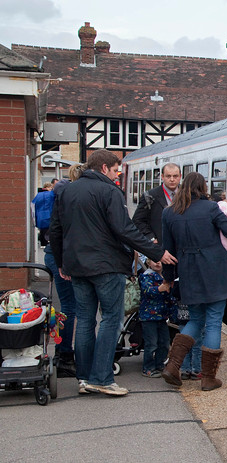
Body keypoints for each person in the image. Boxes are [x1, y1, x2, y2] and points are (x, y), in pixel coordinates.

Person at [50, 149, 177, 397]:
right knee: (110, 319)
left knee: (85, 321)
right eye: (116, 170)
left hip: (76, 266)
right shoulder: (110, 191)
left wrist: (61, 262)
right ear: (105, 168)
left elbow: (55, 229)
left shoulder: (66, 191)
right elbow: (124, 229)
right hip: (106, 266)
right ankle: (102, 378)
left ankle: (84, 378)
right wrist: (156, 252)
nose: (117, 174)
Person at [159, 172, 227, 391]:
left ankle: (172, 366)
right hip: (215, 270)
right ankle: (207, 378)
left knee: (195, 320)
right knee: (214, 321)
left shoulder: (169, 213)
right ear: (203, 187)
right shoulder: (211, 208)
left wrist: (168, 279)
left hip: (188, 272)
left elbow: (168, 251)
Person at [42, 164, 83, 377]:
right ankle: (64, 354)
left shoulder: (62, 194)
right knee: (69, 306)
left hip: (56, 254)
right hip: (62, 257)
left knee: (69, 306)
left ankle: (63, 352)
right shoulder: (72, 198)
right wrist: (61, 264)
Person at [138, 259, 175, 378]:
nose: (157, 263)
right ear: (148, 263)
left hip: (162, 316)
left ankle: (159, 363)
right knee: (151, 343)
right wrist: (160, 288)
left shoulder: (165, 276)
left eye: (159, 261)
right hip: (148, 316)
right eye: (154, 261)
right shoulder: (146, 276)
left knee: (164, 342)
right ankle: (148, 367)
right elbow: (147, 291)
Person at [132, 162, 181, 243]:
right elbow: (137, 220)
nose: (172, 179)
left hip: (182, 246)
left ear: (180, 177)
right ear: (162, 177)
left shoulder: (187, 194)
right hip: (161, 245)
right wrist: (151, 237)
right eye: (168, 176)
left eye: (175, 176)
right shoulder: (150, 195)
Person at [31, 181, 55, 247]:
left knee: (42, 230)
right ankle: (47, 242)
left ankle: (42, 243)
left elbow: (33, 205)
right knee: (48, 230)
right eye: (50, 187)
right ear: (47, 187)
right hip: (49, 215)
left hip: (40, 215)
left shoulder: (38, 195)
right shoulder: (51, 194)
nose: (51, 188)